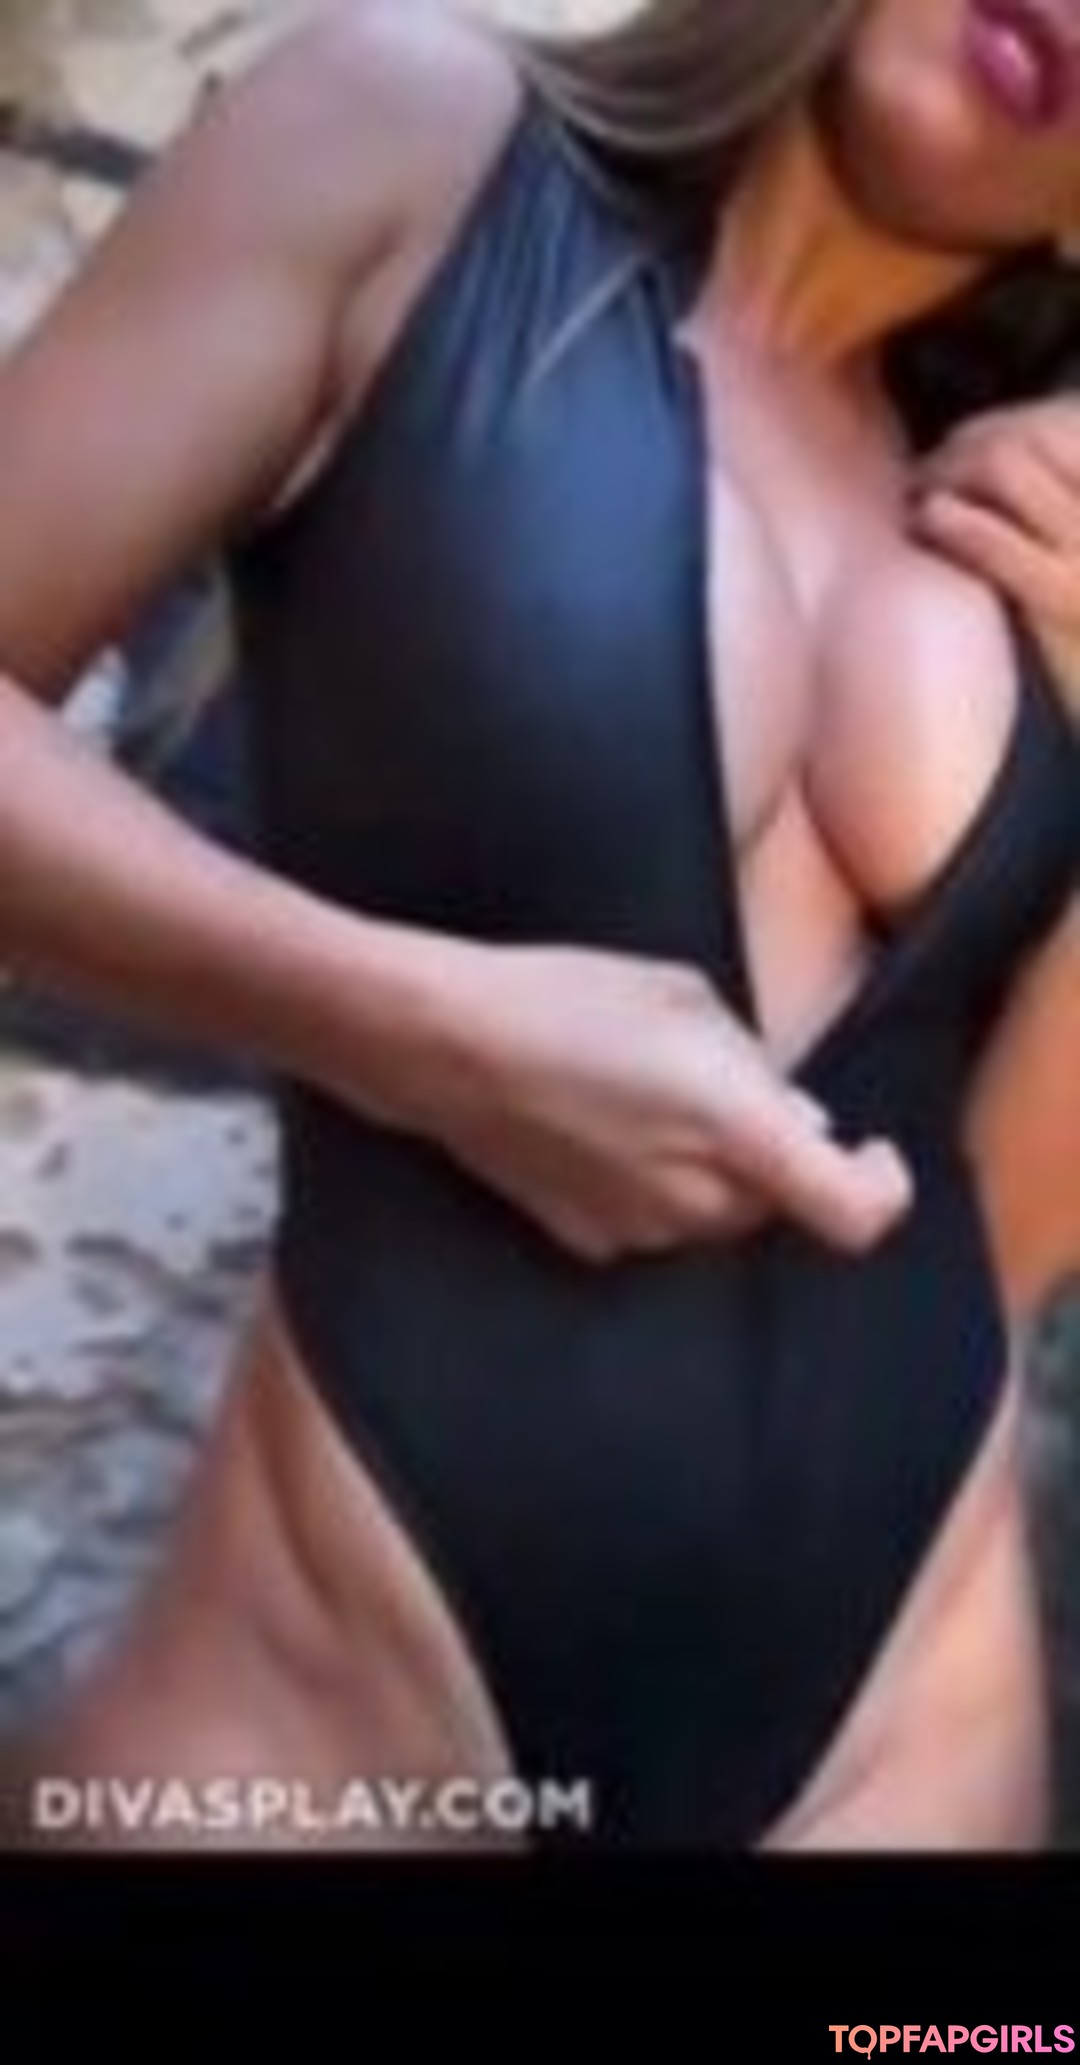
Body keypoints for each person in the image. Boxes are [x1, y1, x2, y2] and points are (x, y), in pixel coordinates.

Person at [0, 0, 1077, 1851]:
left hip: (909, 1747)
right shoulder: (420, 143)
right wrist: (418, 1033)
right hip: (318, 1721)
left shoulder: (1033, 517)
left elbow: (1005, 1235)